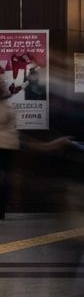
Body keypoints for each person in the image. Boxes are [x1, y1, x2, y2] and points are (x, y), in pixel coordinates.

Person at [0, 90, 15, 219]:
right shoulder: (4, 104)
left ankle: (2, 208)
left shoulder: (5, 103)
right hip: (4, 145)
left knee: (4, 178)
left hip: (7, 146)